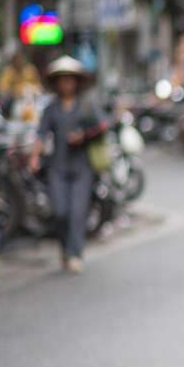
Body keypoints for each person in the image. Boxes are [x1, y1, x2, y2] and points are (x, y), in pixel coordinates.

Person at [29, 56, 109, 274]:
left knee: (77, 211)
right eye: (62, 80)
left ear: (77, 82)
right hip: (58, 166)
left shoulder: (87, 105)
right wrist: (34, 157)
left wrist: (83, 136)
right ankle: (65, 248)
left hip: (82, 166)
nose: (66, 84)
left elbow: (103, 126)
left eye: (70, 80)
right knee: (60, 211)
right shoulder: (51, 108)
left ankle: (76, 253)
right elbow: (41, 134)